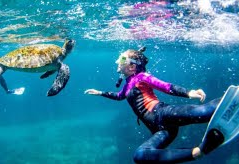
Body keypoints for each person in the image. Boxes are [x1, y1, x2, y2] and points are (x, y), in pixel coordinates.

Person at [85, 47, 223, 163]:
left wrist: (189, 92)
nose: (118, 61)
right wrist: (100, 92)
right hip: (161, 130)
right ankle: (198, 152)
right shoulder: (128, 85)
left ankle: (232, 97)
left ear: (132, 66)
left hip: (162, 113)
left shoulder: (142, 77)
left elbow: (165, 86)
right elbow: (119, 96)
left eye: (122, 59)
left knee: (205, 113)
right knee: (140, 155)